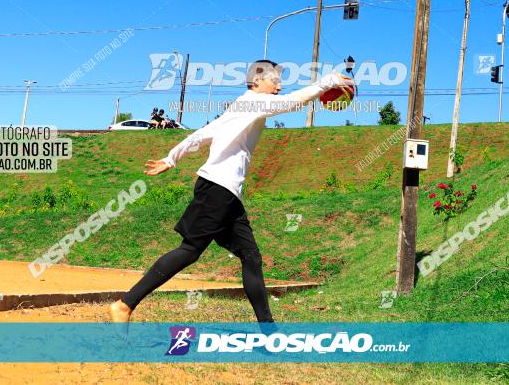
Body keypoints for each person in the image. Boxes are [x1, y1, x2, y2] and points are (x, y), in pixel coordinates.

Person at [109, 59, 352, 326]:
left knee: (251, 257)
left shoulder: (241, 106)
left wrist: (171, 158)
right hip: (218, 189)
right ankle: (125, 304)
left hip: (226, 193)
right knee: (190, 250)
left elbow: (201, 134)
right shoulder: (252, 102)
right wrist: (327, 82)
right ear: (257, 81)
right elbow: (291, 103)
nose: (279, 86)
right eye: (275, 80)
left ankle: (268, 333)